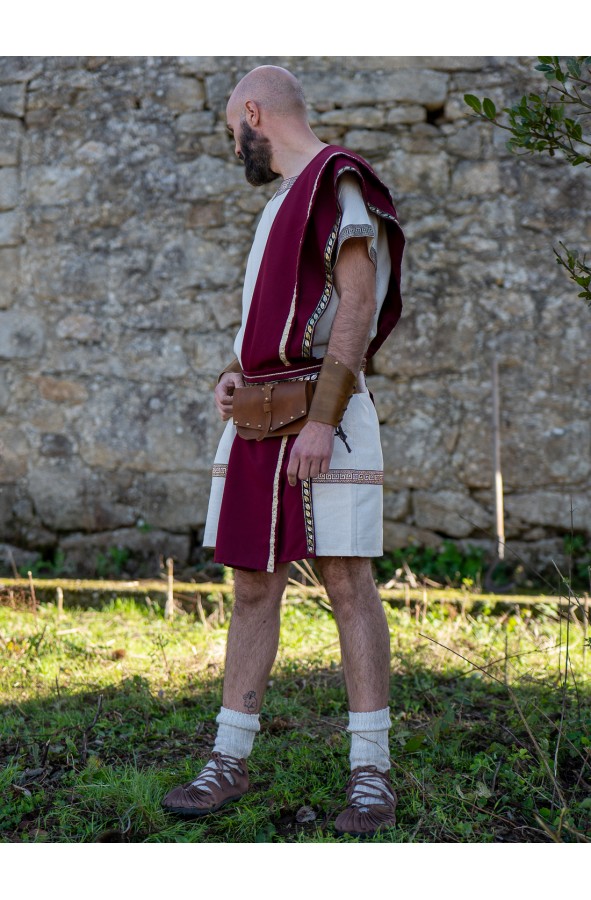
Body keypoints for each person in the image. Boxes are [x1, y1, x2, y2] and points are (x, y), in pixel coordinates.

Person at [162, 65, 405, 838]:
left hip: (322, 412)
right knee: (251, 586)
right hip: (257, 414)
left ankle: (370, 771)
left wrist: (322, 420)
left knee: (346, 581)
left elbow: (356, 301)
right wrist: (233, 373)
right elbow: (270, 322)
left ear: (253, 113)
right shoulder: (277, 206)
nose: (233, 146)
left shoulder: (338, 181)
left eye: (231, 131)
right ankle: (227, 759)